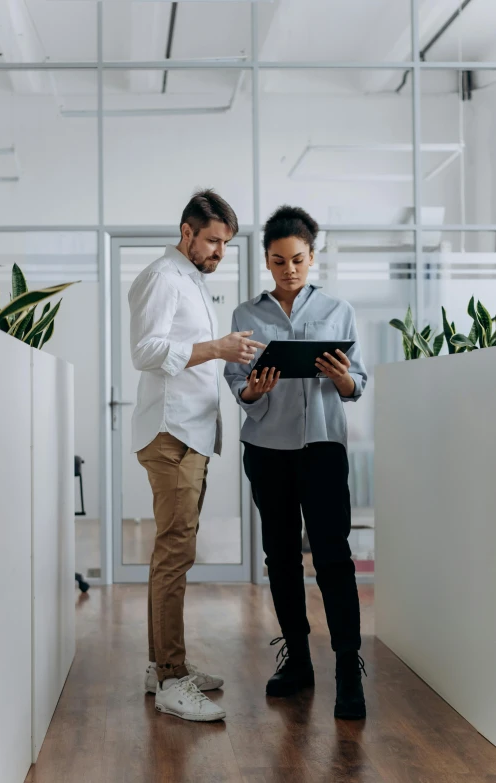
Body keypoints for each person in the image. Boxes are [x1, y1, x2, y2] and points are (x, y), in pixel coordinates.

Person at [224, 205, 368, 720]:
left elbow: (358, 385)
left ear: (312, 256)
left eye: (299, 259)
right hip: (267, 450)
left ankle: (348, 668)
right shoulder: (247, 316)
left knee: (332, 557)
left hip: (324, 448)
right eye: (280, 260)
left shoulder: (339, 309)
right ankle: (299, 660)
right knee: (281, 557)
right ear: (266, 260)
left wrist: (340, 378)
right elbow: (237, 384)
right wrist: (253, 391)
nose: (290, 269)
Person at [128, 189, 266, 722]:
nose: (219, 252)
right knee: (174, 556)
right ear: (186, 232)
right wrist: (219, 349)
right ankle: (170, 678)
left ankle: (161, 666)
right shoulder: (164, 277)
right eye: (212, 241)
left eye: (225, 243)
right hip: (171, 436)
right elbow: (145, 350)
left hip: (189, 434)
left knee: (174, 555)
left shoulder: (188, 280)